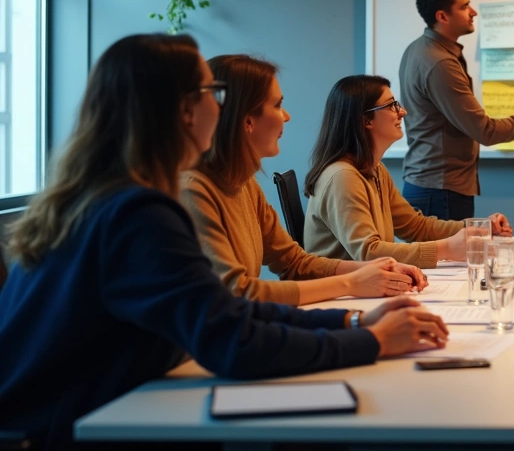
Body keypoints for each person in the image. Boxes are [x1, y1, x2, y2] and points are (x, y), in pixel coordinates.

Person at [0, 34, 448, 449]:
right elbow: (233, 341)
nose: (222, 107)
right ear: (183, 111)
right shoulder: (138, 212)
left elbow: (225, 311)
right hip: (59, 433)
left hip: (81, 413)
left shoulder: (106, 196)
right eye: (213, 95)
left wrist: (351, 324)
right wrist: (374, 342)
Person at [181, 54, 431, 305]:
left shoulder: (245, 184)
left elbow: (294, 262)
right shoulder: (194, 191)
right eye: (278, 105)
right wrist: (351, 283)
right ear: (247, 121)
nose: (286, 116)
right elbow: (237, 293)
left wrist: (373, 271)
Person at [399, 0, 514, 220]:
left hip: (431, 185)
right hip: (441, 190)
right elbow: (485, 131)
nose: (473, 12)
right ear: (442, 17)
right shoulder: (440, 63)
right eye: (464, 7)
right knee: (452, 260)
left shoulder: (419, 49)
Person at [303, 75, 511, 267]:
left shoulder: (375, 170)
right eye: (392, 105)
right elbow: (368, 252)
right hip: (342, 297)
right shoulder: (343, 177)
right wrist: (446, 248)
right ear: (366, 121)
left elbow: (415, 226)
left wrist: (481, 228)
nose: (403, 111)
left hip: (366, 288)